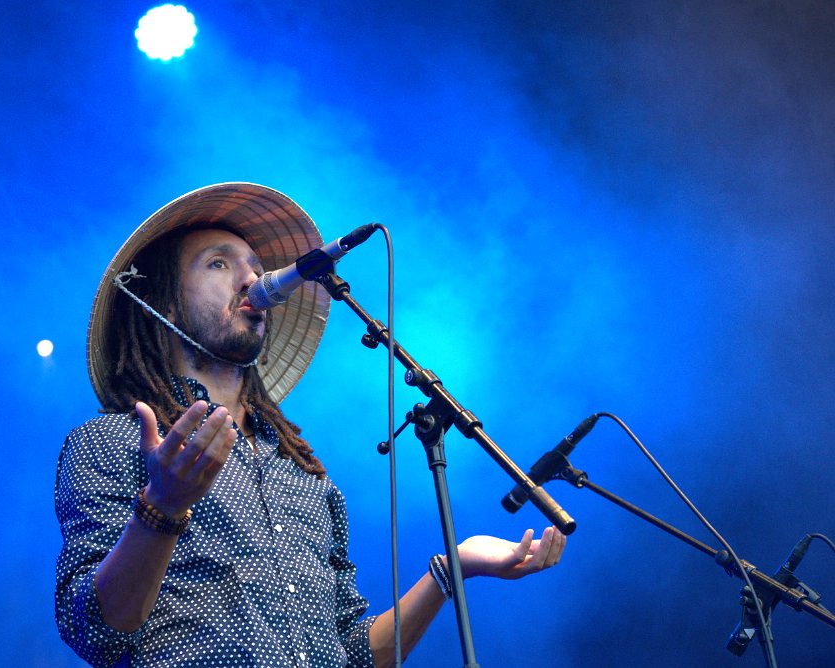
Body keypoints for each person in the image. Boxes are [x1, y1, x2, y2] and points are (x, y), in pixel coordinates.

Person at [54, 183, 567, 668]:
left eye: (257, 268)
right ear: (164, 300)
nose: (252, 280)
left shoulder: (303, 473)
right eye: (219, 263)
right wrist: (161, 508)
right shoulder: (110, 442)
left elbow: (355, 654)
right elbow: (94, 631)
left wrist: (453, 568)